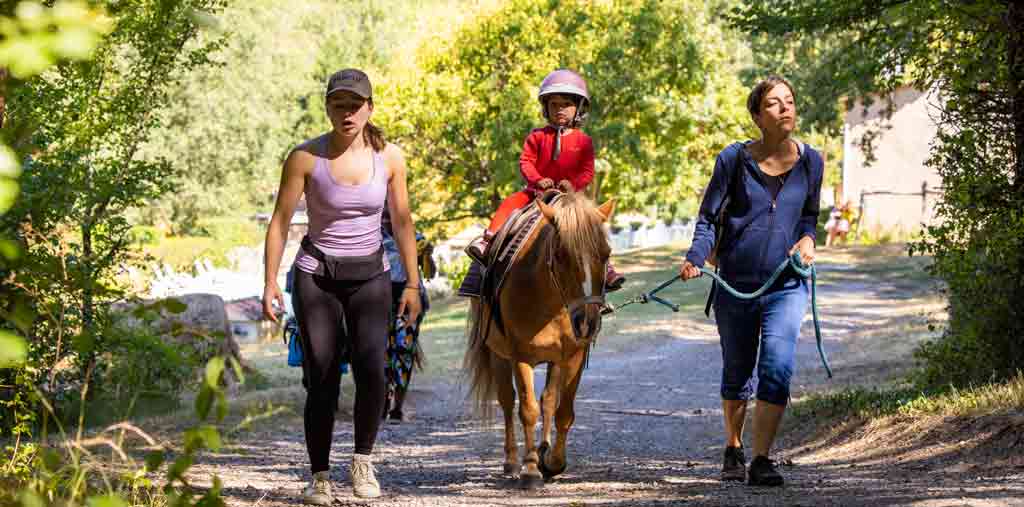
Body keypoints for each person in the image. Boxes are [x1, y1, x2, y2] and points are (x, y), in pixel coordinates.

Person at [262, 68, 421, 502]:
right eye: (339, 104)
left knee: (373, 371)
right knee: (323, 375)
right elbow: (279, 222)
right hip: (316, 277)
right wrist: (270, 282)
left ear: (369, 108)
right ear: (328, 107)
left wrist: (411, 283)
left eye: (355, 105)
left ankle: (363, 463)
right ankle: (319, 475)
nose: (347, 112)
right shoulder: (305, 158)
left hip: (370, 276)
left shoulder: (390, 157)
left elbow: (403, 222)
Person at [679, 76, 822, 487]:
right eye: (775, 104)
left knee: (777, 367)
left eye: (790, 101)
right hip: (735, 283)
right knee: (738, 369)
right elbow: (708, 218)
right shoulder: (732, 160)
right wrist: (694, 256)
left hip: (787, 284)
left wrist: (808, 238)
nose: (786, 109)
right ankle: (733, 446)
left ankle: (762, 459)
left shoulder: (812, 161)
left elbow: (809, 215)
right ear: (757, 115)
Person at [464, 69, 625, 291]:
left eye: (566, 104)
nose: (560, 109)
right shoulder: (537, 136)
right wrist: (538, 180)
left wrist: (573, 184)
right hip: (536, 193)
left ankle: (605, 268)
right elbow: (526, 162)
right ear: (545, 108)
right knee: (511, 202)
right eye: (554, 104)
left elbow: (587, 171)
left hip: (570, 199)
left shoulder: (584, 141)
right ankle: (488, 240)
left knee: (591, 224)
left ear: (578, 109)